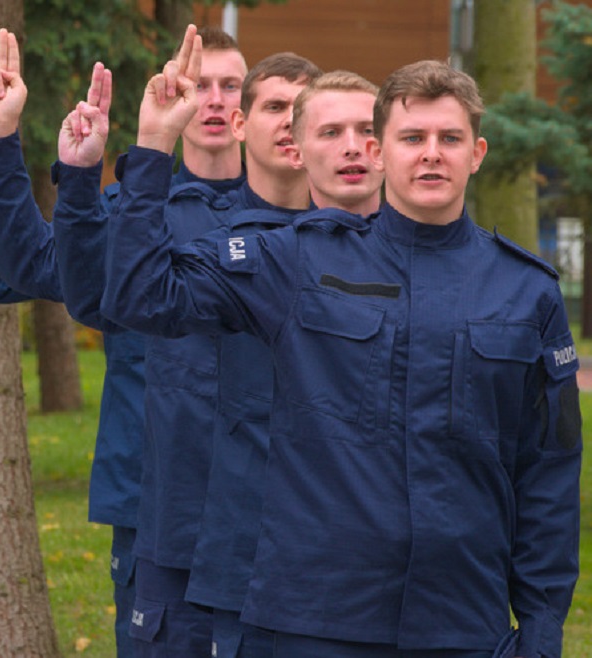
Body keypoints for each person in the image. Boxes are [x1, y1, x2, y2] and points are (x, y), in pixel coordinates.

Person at [104, 58, 581, 658]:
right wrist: (152, 148)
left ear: (477, 152)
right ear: (381, 152)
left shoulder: (526, 291)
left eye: (449, 138)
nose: (431, 154)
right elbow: (138, 295)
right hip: (314, 622)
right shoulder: (296, 263)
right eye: (413, 138)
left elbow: (547, 477)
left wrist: (539, 637)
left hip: (462, 625)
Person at [0, 26, 246, 657]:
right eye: (197, 86)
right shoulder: (132, 212)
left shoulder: (293, 217)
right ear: (168, 97)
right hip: (152, 499)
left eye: (232, 87)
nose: (215, 101)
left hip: (265, 498)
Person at [185, 70, 383, 658]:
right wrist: (148, 151)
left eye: (367, 130)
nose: (352, 146)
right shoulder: (266, 259)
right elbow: (127, 293)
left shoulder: (459, 269)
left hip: (404, 584)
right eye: (332, 130)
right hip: (268, 559)